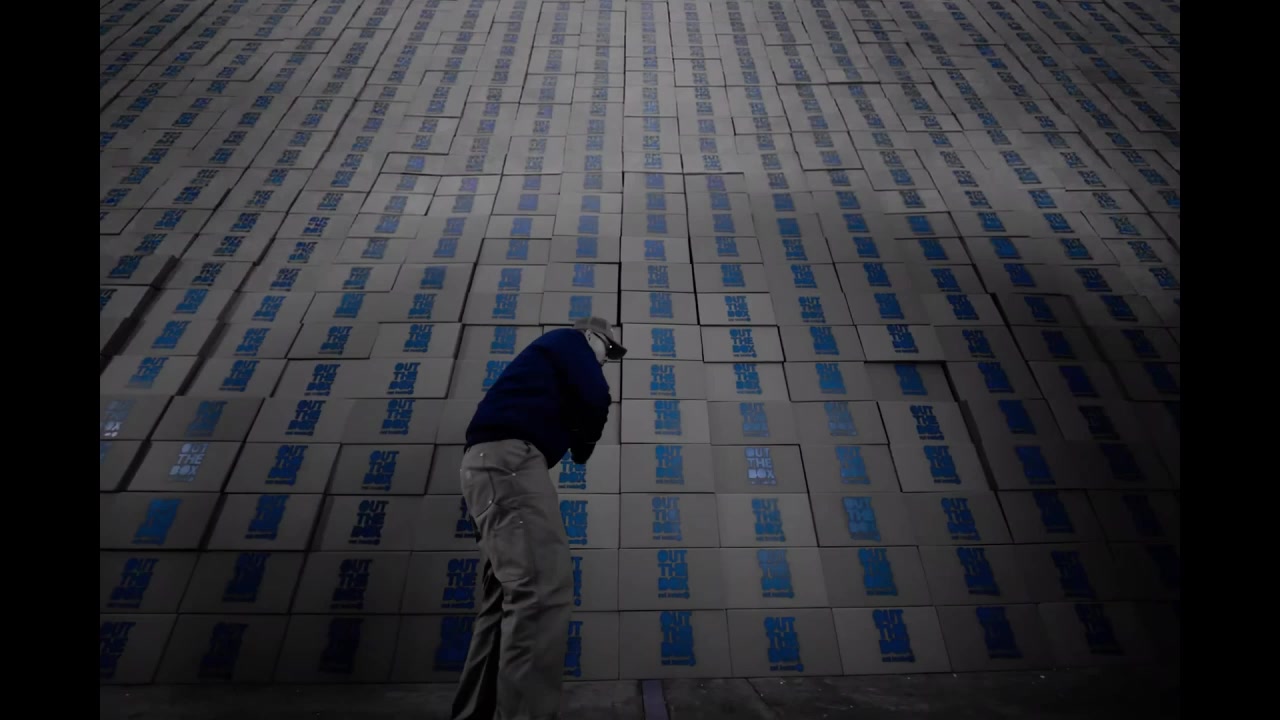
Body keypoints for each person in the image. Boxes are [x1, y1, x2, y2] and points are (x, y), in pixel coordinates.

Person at [451, 316, 625, 720]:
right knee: (542, 591)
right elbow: (596, 397)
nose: (605, 360)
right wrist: (584, 446)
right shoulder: (569, 341)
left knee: (506, 598)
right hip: (508, 464)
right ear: (591, 336)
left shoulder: (548, 368)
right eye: (607, 350)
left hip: (490, 467)